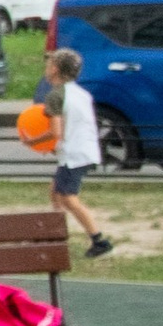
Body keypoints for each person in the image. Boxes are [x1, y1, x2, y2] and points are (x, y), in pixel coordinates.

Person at [46, 49, 113, 260]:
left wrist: (31, 140)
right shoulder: (82, 94)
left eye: (48, 65)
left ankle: (99, 240)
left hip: (73, 154)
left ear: (55, 69)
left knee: (68, 198)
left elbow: (55, 131)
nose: (46, 69)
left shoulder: (56, 95)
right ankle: (54, 234)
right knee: (56, 189)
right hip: (85, 150)